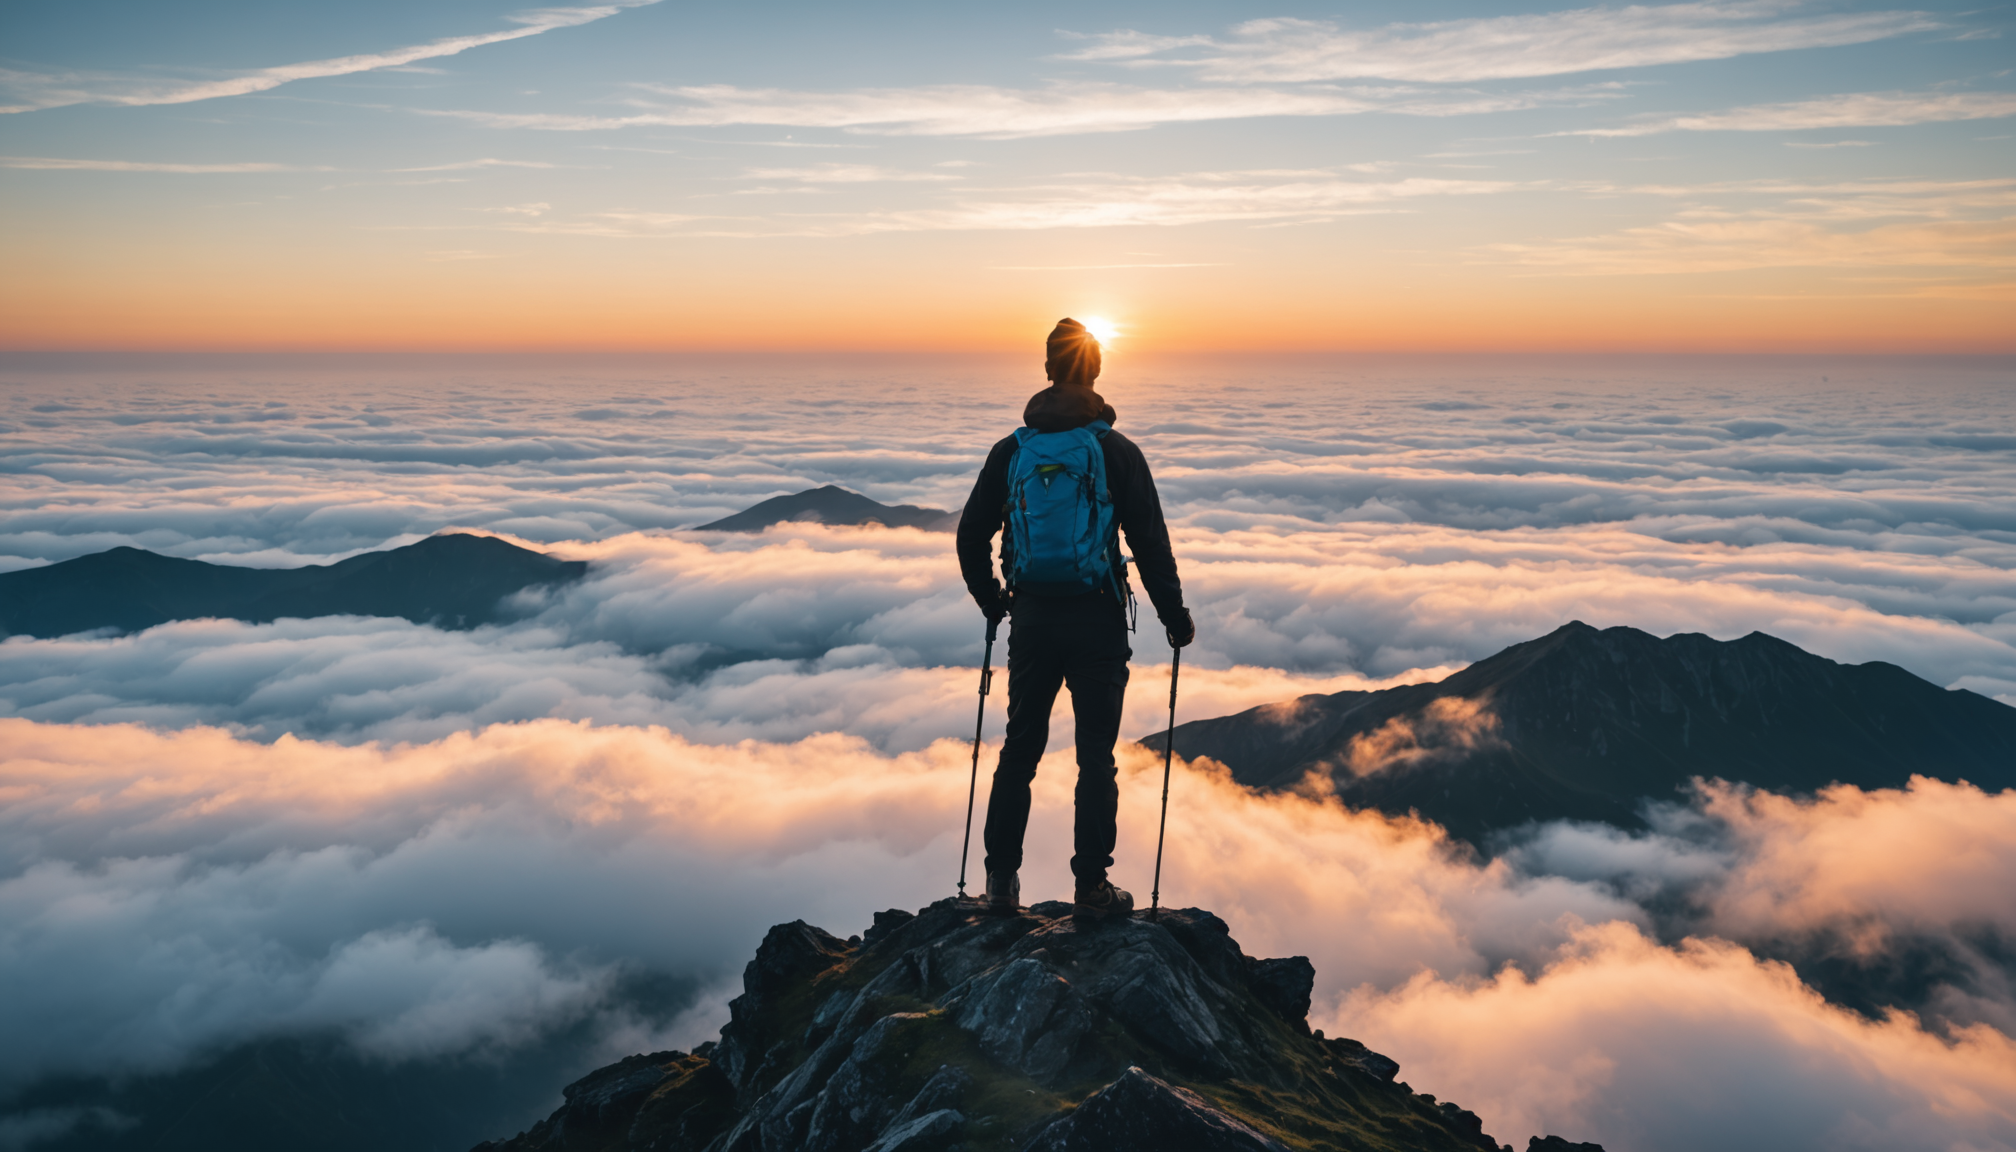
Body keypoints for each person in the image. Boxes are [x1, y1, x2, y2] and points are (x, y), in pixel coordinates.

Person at [956, 318, 1194, 919]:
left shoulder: (1011, 452)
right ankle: (1091, 887)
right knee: (1096, 755)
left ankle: (999, 886)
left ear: (1047, 370)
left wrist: (995, 602)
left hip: (1032, 620)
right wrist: (1175, 617)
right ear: (1095, 371)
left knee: (1019, 750)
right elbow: (1151, 544)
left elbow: (969, 536)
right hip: (1097, 621)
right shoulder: (1116, 451)